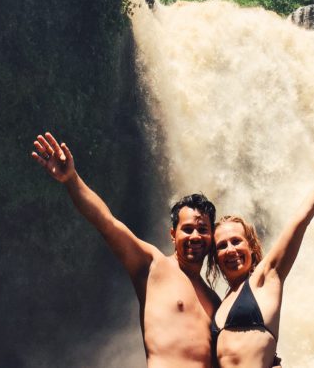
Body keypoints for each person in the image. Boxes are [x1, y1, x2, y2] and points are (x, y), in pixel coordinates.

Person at [31, 131, 220, 368]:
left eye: (202, 229)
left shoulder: (215, 301)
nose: (195, 236)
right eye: (187, 229)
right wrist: (71, 179)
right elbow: (107, 223)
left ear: (212, 236)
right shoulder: (152, 266)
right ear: (173, 235)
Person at [210, 137, 314, 368]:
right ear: (215, 257)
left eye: (236, 241)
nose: (231, 250)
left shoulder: (265, 278)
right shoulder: (221, 301)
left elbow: (299, 222)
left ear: (251, 246)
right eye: (222, 245)